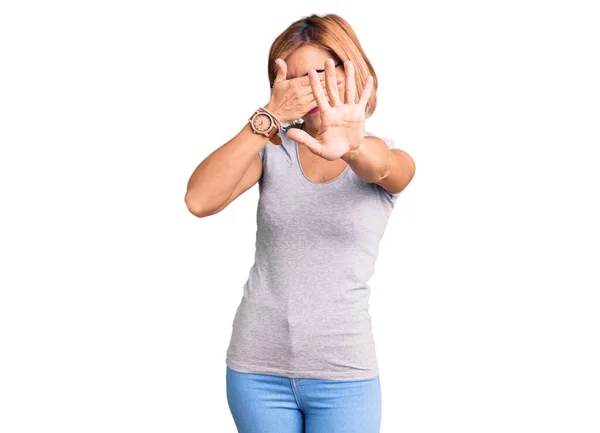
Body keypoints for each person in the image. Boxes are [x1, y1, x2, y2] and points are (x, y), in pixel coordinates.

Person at [185, 13, 416, 433]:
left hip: (344, 375)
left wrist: (350, 146)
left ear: (350, 71)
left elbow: (382, 167)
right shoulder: (273, 151)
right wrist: (267, 118)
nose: (311, 89)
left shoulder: (381, 154)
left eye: (322, 74)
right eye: (295, 80)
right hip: (256, 369)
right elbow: (200, 201)